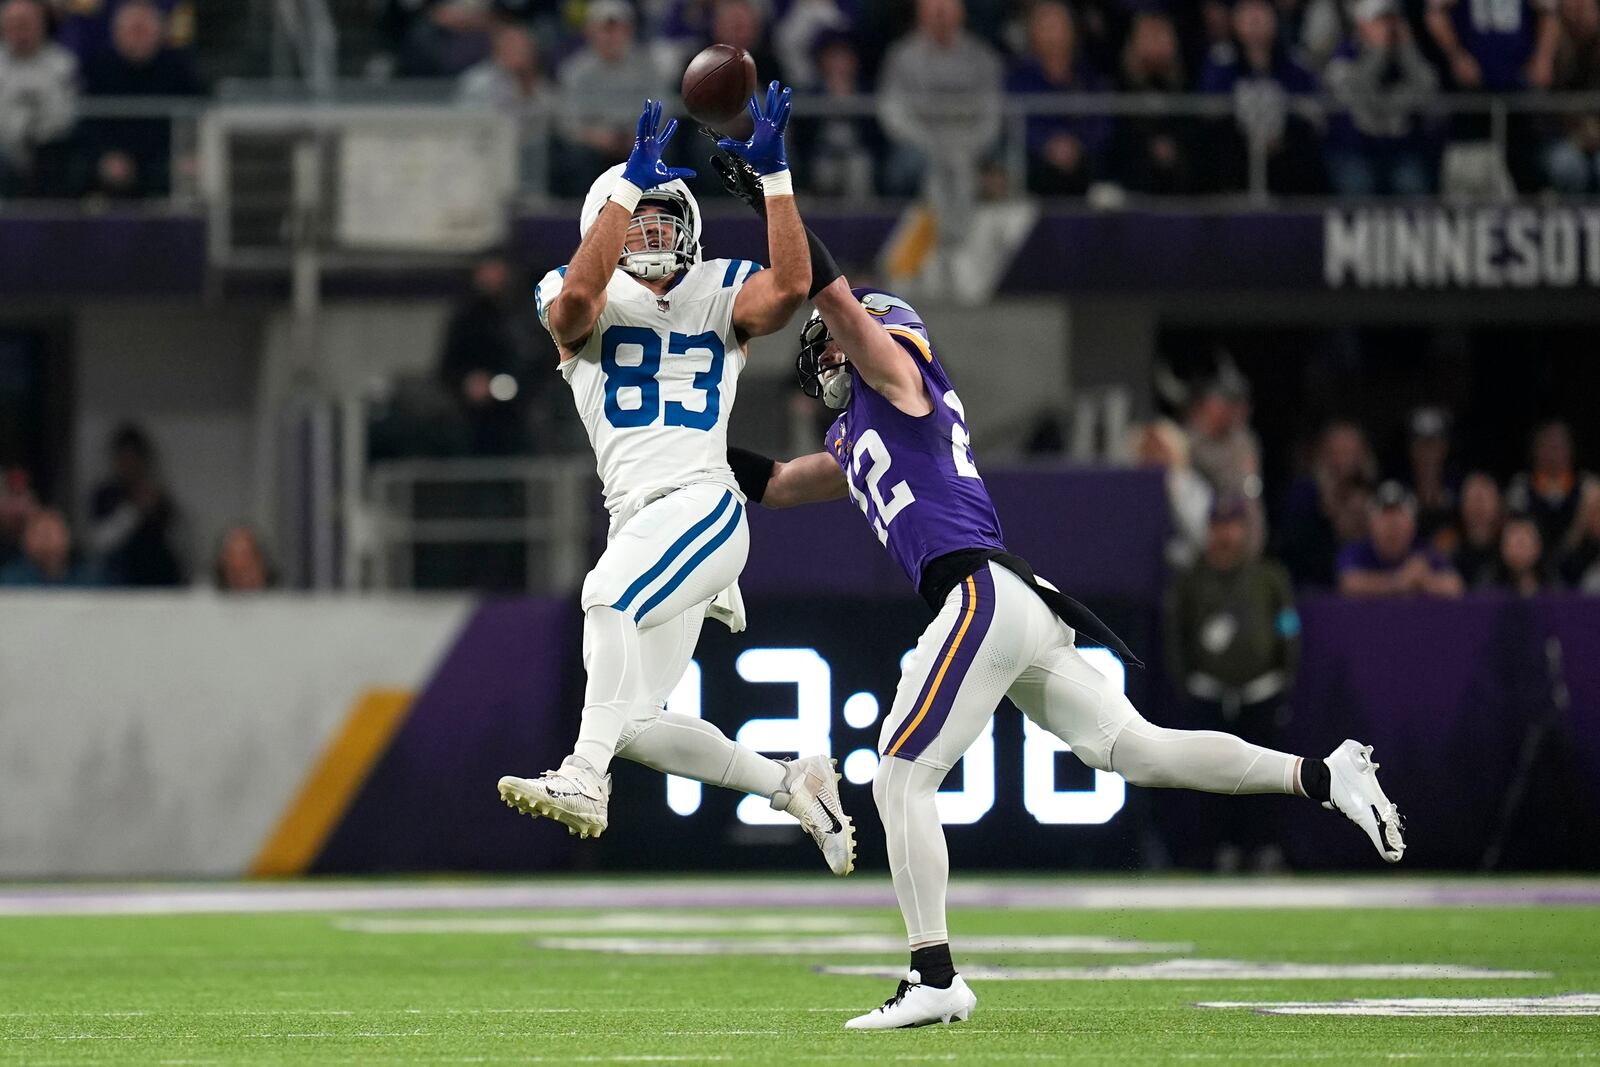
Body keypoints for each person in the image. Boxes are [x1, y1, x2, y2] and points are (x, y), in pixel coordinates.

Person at [715, 159, 1406, 1031]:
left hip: (979, 592)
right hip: (1017, 601)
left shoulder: (902, 383)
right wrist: (686, 446)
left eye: (825, 343)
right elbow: (775, 481)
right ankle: (1321, 773)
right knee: (1140, 749)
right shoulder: (857, 437)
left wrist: (775, 195)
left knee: (898, 774)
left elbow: (839, 302)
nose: (818, 356)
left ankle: (935, 974)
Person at [498, 90, 856, 878]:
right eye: (639, 219)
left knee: (604, 597)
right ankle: (791, 782)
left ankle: (584, 777)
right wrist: (623, 190)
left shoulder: (718, 288)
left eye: (666, 218)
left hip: (701, 502)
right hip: (644, 519)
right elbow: (574, 312)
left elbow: (792, 287)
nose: (655, 231)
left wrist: (778, 184)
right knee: (633, 719)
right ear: (607, 224)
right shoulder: (575, 284)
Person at [1165, 495, 1301, 871]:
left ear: (1244, 529)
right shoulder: (1192, 581)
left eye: (1232, 525)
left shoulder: (1268, 577)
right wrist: (1187, 683)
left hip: (1261, 691)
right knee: (1211, 780)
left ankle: (1263, 848)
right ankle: (1217, 849)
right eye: (1219, 526)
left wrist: (1284, 677)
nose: (1226, 535)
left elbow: (1288, 625)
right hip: (1210, 691)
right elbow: (1177, 635)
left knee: (1266, 777)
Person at [877, 0, 1003, 217]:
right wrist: (930, 147)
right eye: (934, 8)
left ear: (961, 12)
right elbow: (892, 112)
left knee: (995, 161)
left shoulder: (982, 57)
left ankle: (966, 239)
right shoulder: (901, 56)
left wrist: (967, 148)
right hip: (919, 143)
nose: (941, 14)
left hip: (968, 143)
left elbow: (993, 114)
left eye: (947, 7)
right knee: (909, 164)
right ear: (920, 13)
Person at [1198, 0, 1325, 194]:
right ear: (1235, 20)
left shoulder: (1294, 61)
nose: (1254, 19)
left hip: (1283, 148)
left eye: (1260, 12)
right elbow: (1212, 108)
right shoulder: (1221, 59)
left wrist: (1281, 133)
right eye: (1247, 13)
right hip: (1238, 146)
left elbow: (1310, 112)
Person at [79, 0, 204, 198]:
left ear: (160, 31)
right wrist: (103, 156)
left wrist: (188, 154)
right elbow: (86, 124)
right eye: (132, 30)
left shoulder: (179, 69)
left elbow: (197, 117)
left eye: (144, 30)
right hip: (114, 155)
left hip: (165, 156)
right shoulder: (97, 70)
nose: (138, 37)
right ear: (116, 33)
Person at [436, 250, 552, 456]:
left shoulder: (524, 313)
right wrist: (468, 382)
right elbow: (448, 366)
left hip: (522, 413)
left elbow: (541, 359)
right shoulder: (466, 318)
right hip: (473, 418)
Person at [1323, 0, 1439, 197]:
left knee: (1412, 188)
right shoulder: (1344, 54)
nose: (1388, 28)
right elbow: (1353, 92)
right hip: (1355, 150)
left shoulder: (1407, 55)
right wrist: (1378, 53)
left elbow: (1429, 89)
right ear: (1362, 25)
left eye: (1392, 21)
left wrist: (1408, 50)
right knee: (1359, 189)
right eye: (1380, 21)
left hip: (1400, 149)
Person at [554, 0, 665, 197]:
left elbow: (663, 109)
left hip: (639, 139)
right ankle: (584, 215)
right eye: (604, 30)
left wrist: (638, 137)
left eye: (617, 29)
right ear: (590, 32)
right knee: (576, 156)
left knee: (664, 148)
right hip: (595, 142)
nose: (611, 37)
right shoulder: (576, 71)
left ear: (629, 30)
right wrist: (598, 137)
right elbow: (568, 123)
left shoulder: (648, 67)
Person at [1005, 0, 1109, 197]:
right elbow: (1014, 123)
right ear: (1032, 32)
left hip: (1082, 160)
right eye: (1046, 26)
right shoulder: (1018, 77)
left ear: (1072, 30)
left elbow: (1100, 122)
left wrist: (1077, 144)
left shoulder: (1087, 76)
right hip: (1036, 162)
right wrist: (1046, 144)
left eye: (1059, 25)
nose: (1054, 35)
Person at [1110, 10, 1200, 195]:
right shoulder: (1119, 85)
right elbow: (1118, 133)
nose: (1155, 44)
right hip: (1132, 182)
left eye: (1161, 36)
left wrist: (1173, 146)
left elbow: (1194, 130)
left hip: (1182, 184)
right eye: (1149, 36)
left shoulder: (1186, 85)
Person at [87, 423, 185, 586]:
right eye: (125, 457)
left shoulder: (158, 495)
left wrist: (155, 508)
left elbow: (177, 540)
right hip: (117, 579)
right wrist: (135, 509)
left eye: (134, 458)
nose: (129, 464)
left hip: (159, 580)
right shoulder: (105, 494)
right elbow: (99, 543)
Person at [0, 0, 78, 196]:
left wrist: (32, 133)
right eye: (14, 23)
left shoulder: (63, 64)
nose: (20, 31)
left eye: (25, 23)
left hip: (49, 150)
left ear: (42, 24)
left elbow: (65, 116)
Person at [1337, 480, 1464, 598]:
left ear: (1412, 524)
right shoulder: (1357, 551)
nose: (1392, 526)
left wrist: (1425, 579)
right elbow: (1349, 583)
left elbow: (1454, 585)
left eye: (1399, 518)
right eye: (1385, 518)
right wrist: (1399, 581)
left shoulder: (1424, 552)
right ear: (1371, 524)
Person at [1505, 419, 1599, 553]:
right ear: (1535, 450)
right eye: (1547, 445)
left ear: (1571, 449)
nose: (1553, 453)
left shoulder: (1588, 487)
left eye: (1559, 445)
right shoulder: (1520, 488)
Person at [1544, 0, 1600, 193]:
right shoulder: (1551, 44)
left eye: (1586, 8)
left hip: (1594, 132)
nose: (1580, 14)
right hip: (1558, 136)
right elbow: (1547, 102)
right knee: (1569, 166)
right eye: (1574, 8)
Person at [0, 508, 99, 586]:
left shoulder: (88, 579)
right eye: (40, 533)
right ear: (24, 540)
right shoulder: (9, 580)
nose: (46, 540)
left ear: (68, 537)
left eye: (51, 532)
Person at [1440, 470, 1505, 588]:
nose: (1478, 507)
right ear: (1462, 504)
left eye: (1484, 499)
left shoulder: (1509, 544)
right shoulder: (1446, 545)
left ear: (1498, 504)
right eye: (1473, 498)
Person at [1493, 512, 1555, 596]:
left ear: (1539, 545)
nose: (1520, 546)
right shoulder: (1488, 589)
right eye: (1513, 536)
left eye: (1526, 536)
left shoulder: (1555, 588)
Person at [213, 523, 275, 591]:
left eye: (248, 570)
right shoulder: (206, 599)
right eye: (236, 573)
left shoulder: (283, 599)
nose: (243, 581)